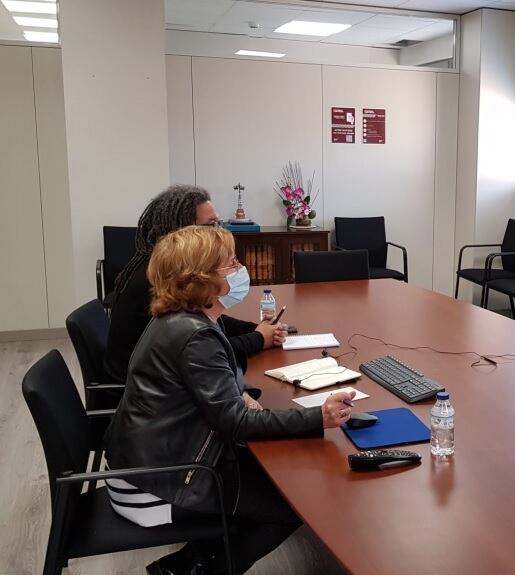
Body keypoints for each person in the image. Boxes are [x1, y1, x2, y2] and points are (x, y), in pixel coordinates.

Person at [104, 226, 356, 575]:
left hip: (148, 465)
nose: (241, 269)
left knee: (280, 482)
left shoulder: (180, 319)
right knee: (295, 503)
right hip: (158, 483)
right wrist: (319, 416)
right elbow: (235, 422)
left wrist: (240, 395)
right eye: (231, 263)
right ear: (202, 279)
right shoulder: (194, 335)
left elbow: (207, 393)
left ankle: (185, 563)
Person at [102, 185, 286, 394]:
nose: (218, 232)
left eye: (218, 223)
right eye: (210, 226)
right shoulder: (158, 281)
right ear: (184, 231)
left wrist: (253, 329)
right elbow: (202, 351)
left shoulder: (161, 266)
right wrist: (259, 338)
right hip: (150, 397)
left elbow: (202, 320)